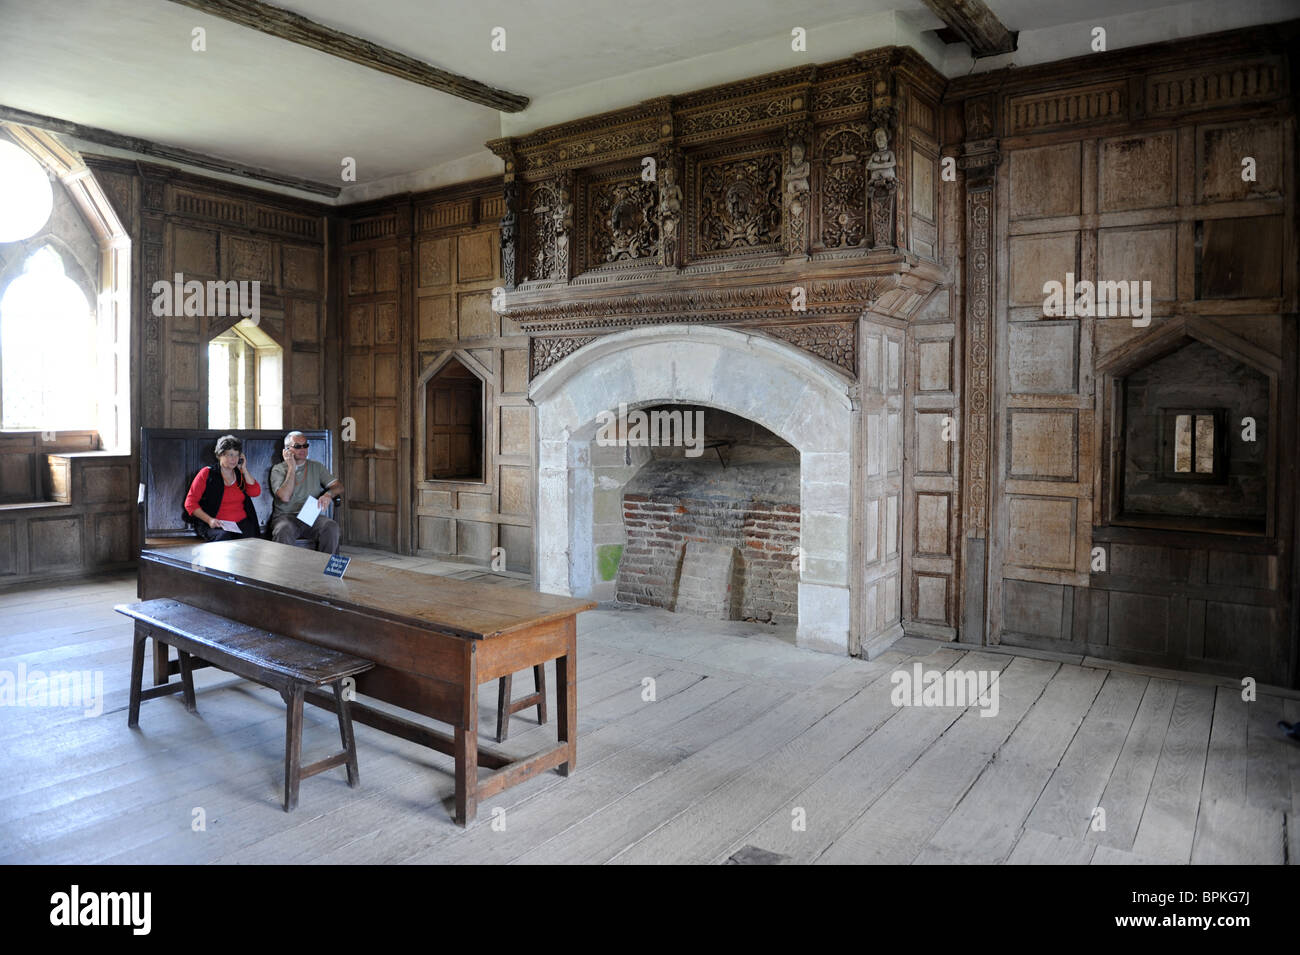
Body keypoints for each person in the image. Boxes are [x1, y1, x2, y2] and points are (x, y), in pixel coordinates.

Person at [268, 431, 343, 554]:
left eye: (305, 445)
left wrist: (329, 494)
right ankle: (284, 571)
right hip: (286, 516)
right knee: (284, 529)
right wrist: (291, 467)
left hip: (310, 515)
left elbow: (338, 486)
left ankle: (327, 570)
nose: (303, 449)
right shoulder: (279, 469)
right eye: (297, 446)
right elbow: (285, 497)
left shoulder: (316, 467)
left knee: (331, 527)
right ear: (287, 450)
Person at [183, 435, 262, 541]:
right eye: (230, 455)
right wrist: (209, 520)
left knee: (250, 539)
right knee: (224, 539)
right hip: (215, 524)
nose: (234, 459)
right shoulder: (207, 473)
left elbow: (255, 492)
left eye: (237, 455)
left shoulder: (240, 474)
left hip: (241, 524)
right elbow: (190, 503)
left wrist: (244, 469)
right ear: (220, 455)